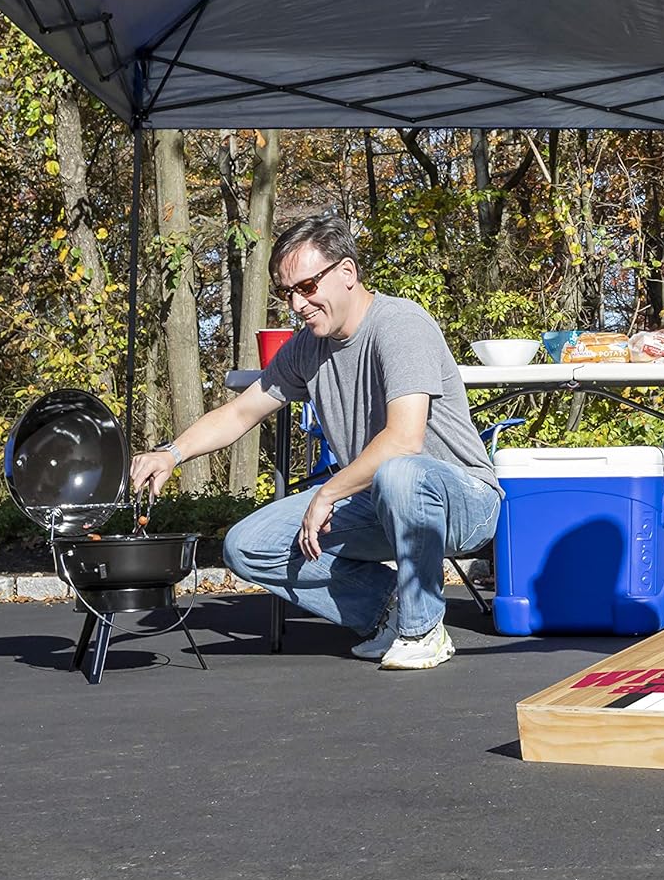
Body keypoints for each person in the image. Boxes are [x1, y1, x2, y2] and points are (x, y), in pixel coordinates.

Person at [129, 212, 502, 671]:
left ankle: (423, 630)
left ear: (347, 272)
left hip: (461, 501)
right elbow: (241, 412)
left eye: (307, 287)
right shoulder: (307, 348)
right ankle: (389, 610)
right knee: (248, 544)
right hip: (376, 500)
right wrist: (171, 453)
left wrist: (326, 493)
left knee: (400, 472)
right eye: (287, 293)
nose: (297, 304)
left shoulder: (401, 325)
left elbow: (405, 440)